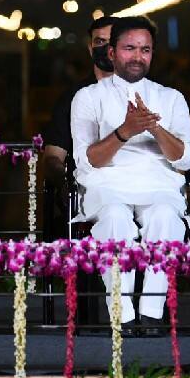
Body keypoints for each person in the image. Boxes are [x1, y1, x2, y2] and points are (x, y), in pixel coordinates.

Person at [70, 16, 190, 333]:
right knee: (114, 218)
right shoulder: (88, 97)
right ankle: (122, 315)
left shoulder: (170, 98)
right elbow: (87, 162)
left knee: (167, 217)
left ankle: (151, 314)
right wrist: (125, 132)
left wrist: (153, 127)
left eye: (145, 50)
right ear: (111, 53)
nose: (138, 56)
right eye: (129, 48)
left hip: (160, 186)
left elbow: (186, 158)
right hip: (107, 186)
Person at [42, 16, 116, 237]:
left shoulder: (140, 94)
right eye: (100, 42)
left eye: (112, 42)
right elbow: (53, 157)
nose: (106, 49)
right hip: (86, 194)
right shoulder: (72, 98)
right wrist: (66, 183)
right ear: (90, 48)